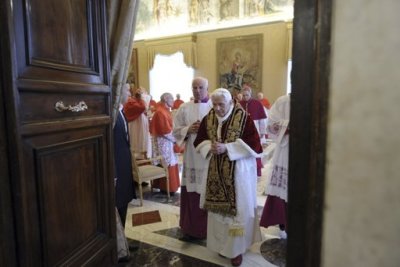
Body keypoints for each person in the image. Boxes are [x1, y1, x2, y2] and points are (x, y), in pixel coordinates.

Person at [193, 88, 263, 267]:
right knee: (217, 214)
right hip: (215, 172)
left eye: (221, 104)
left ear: (230, 103)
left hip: (238, 172)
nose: (217, 108)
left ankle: (236, 250)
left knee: (238, 211)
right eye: (214, 104)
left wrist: (228, 148)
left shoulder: (244, 118)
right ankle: (221, 245)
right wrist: (210, 147)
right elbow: (200, 139)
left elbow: (255, 145)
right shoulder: (209, 117)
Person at [173, 76, 212, 241]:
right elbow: (175, 130)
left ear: (207, 88)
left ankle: (208, 229)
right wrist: (188, 129)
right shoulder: (184, 107)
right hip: (191, 154)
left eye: (200, 87)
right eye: (194, 87)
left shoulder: (213, 106)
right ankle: (190, 226)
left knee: (206, 189)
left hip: (208, 156)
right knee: (191, 190)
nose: (197, 90)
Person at [260, 94, 290, 239]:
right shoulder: (283, 101)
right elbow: (270, 123)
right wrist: (286, 125)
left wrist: (284, 124)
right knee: (282, 187)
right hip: (285, 148)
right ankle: (283, 222)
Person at [149, 92, 181, 194]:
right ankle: (167, 188)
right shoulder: (160, 112)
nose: (173, 101)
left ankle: (166, 187)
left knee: (169, 162)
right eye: (171, 99)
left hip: (167, 141)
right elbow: (165, 131)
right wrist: (177, 139)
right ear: (166, 100)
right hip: (164, 143)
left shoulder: (164, 110)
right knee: (166, 163)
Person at [240, 85, 267, 176]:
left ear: (250, 94)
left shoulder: (257, 103)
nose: (245, 97)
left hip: (255, 129)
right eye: (243, 95)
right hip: (242, 131)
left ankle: (257, 169)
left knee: (255, 149)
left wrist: (263, 131)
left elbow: (262, 119)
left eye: (247, 95)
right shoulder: (239, 104)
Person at [124, 87, 152, 159]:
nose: (139, 91)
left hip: (142, 122)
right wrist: (141, 97)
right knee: (135, 138)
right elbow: (143, 107)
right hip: (135, 123)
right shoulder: (131, 101)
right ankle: (135, 156)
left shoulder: (142, 99)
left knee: (142, 138)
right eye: (139, 89)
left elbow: (145, 107)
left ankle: (144, 154)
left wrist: (142, 97)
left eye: (142, 91)